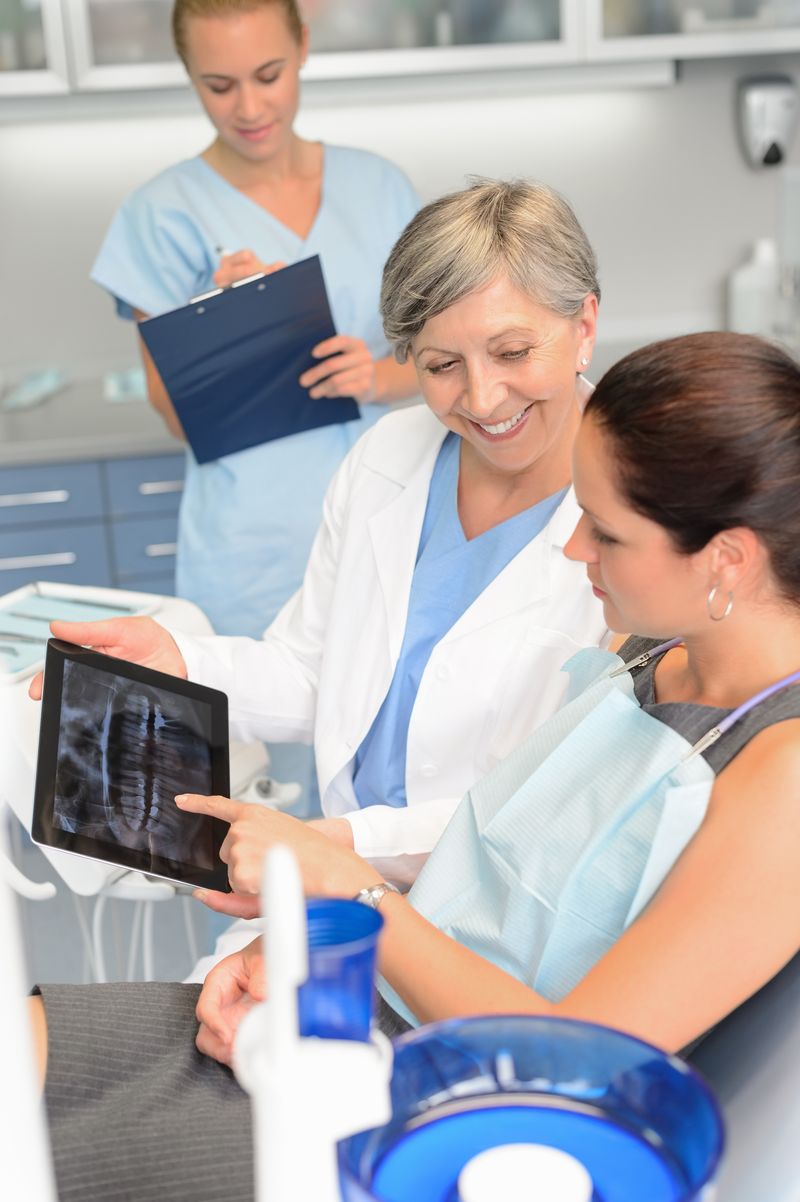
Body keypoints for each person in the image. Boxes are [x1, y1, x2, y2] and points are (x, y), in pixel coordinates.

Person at [31, 332, 800, 1201]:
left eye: (608, 532)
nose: (574, 548)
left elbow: (568, 1066)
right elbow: (503, 849)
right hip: (360, 1015)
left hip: (447, 1114)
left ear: (727, 558)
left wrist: (358, 896)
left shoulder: (783, 771)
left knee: (46, 1154)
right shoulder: (654, 647)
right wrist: (312, 941)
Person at [49, 179, 608, 898]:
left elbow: (566, 798)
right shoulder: (390, 455)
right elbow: (314, 673)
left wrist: (335, 846)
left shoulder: (645, 510)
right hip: (347, 888)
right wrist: (180, 662)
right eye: (441, 365)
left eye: (512, 351)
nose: (481, 397)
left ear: (584, 326)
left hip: (506, 911)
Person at [91, 0, 421, 640]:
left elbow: (449, 361)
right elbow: (177, 417)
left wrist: (377, 377)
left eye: (268, 75)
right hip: (251, 556)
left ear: (302, 47)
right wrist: (224, 323)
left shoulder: (380, 187)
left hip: (387, 521)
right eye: (219, 85)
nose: (248, 107)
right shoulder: (161, 213)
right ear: (189, 74)